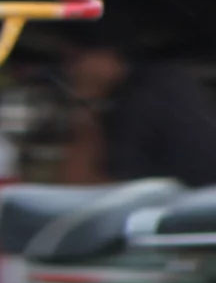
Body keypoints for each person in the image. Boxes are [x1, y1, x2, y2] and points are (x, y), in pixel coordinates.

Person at [56, 28, 216, 187]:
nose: (70, 70)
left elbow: (87, 189)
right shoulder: (166, 79)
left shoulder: (141, 98)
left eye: (75, 60)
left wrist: (84, 104)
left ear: (108, 56)